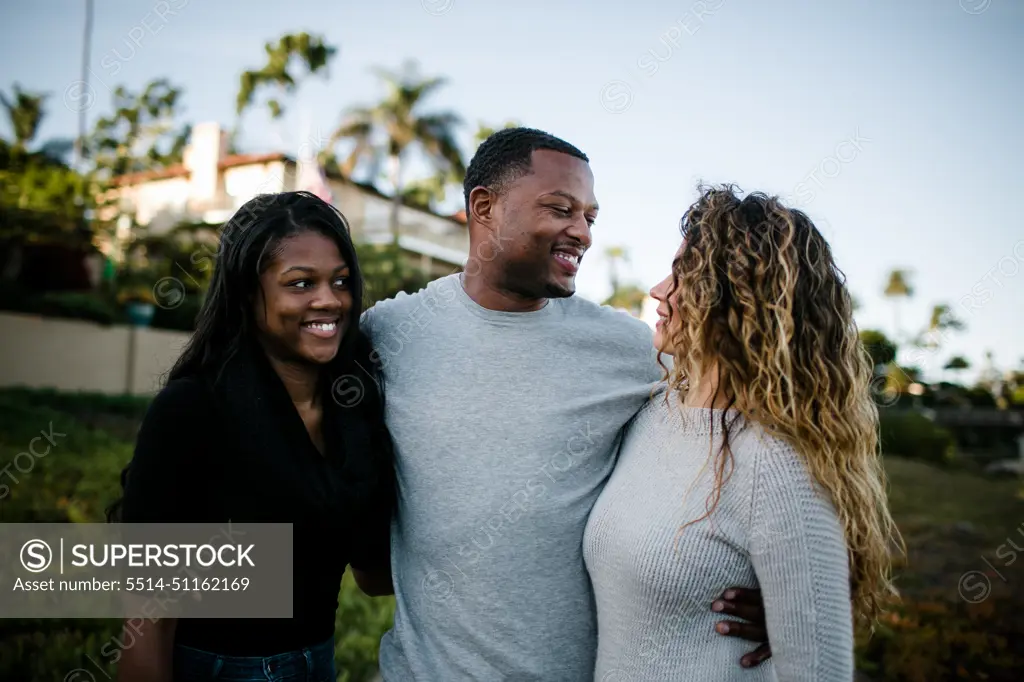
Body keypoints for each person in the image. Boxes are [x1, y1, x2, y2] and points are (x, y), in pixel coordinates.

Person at [360, 129, 770, 681]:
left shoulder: (627, 349)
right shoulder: (390, 332)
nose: (582, 233)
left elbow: (763, 433)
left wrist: (788, 589)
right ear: (484, 207)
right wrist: (212, 584)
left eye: (590, 218)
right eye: (560, 209)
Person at [583, 185, 901, 680]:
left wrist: (788, 615)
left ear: (739, 299)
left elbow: (818, 671)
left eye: (683, 274)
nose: (658, 290)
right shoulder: (652, 410)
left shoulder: (776, 465)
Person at [109, 191, 396, 682]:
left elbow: (374, 575)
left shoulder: (356, 403)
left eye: (341, 281)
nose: (329, 300)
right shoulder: (194, 408)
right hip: (215, 667)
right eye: (300, 283)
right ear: (246, 293)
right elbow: (146, 616)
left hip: (317, 662)